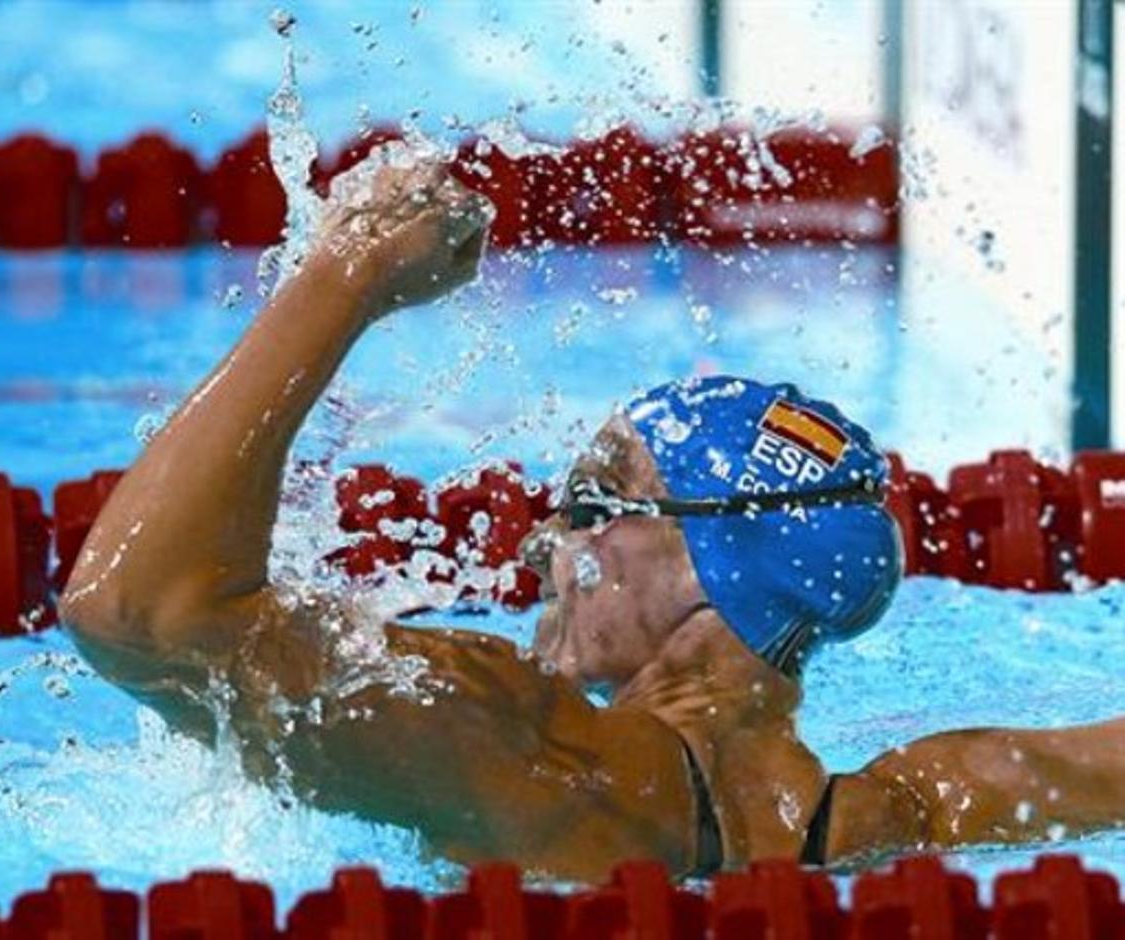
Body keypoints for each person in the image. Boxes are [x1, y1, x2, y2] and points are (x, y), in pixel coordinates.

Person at [60, 162, 1125, 882]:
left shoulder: (532, 754)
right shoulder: (929, 806)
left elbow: (135, 611)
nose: (541, 542)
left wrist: (349, 276)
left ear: (710, 568)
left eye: (590, 504)